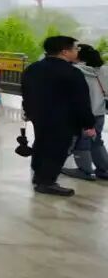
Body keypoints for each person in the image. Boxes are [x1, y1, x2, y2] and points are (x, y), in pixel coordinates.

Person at [22, 36, 96, 196]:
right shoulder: (72, 72)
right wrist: (89, 123)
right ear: (64, 51)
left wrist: (28, 111)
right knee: (57, 150)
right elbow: (81, 101)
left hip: (39, 116)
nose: (77, 51)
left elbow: (26, 93)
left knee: (41, 144)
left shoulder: (33, 68)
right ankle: (47, 182)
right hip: (63, 119)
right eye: (75, 48)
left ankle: (39, 176)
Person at [61, 44, 108, 182]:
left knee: (81, 141)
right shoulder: (104, 70)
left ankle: (85, 170)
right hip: (99, 111)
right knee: (96, 140)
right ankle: (104, 169)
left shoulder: (75, 70)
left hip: (82, 112)